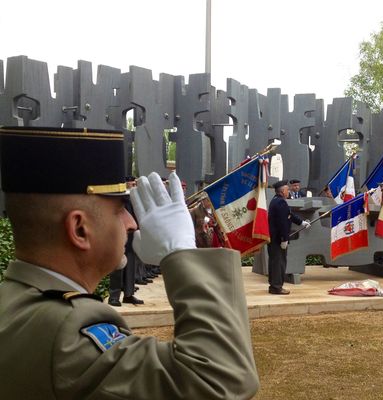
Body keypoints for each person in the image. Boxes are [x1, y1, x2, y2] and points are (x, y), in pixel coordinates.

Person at [0, 126, 259, 399]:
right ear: (79, 229)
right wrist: (182, 251)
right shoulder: (67, 332)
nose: (132, 222)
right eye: (119, 210)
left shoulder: (13, 302)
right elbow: (221, 379)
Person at [267, 180, 310, 294]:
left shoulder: (277, 201)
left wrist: (301, 223)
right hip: (278, 239)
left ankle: (274, 286)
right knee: (279, 263)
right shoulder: (281, 203)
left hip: (274, 238)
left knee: (275, 262)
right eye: (287, 190)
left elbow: (289, 215)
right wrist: (284, 239)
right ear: (282, 191)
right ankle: (277, 287)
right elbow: (282, 223)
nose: (289, 191)